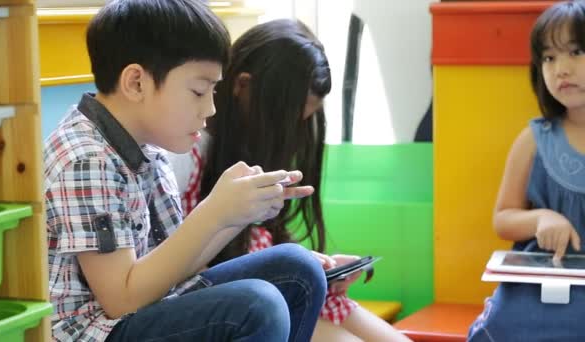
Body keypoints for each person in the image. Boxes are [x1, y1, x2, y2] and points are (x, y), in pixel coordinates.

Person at [44, 1, 327, 341]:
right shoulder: (87, 159)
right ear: (136, 83)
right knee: (258, 305)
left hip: (146, 308)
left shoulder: (147, 146)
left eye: (213, 91)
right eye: (198, 91)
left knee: (298, 268)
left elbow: (175, 268)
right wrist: (213, 213)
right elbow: (121, 299)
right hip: (97, 331)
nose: (209, 108)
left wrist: (235, 215)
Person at [170, 19, 411, 342]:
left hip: (278, 291)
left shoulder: (250, 146)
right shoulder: (187, 155)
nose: (293, 138)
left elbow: (261, 240)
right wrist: (286, 266)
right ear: (243, 87)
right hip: (237, 304)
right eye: (287, 122)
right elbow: (178, 272)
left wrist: (317, 267)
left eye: (304, 123)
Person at [468, 1, 585, 340]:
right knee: (504, 325)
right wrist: (541, 218)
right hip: (540, 281)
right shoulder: (534, 139)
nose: (560, 68)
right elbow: (502, 218)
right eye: (548, 58)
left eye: (575, 52)